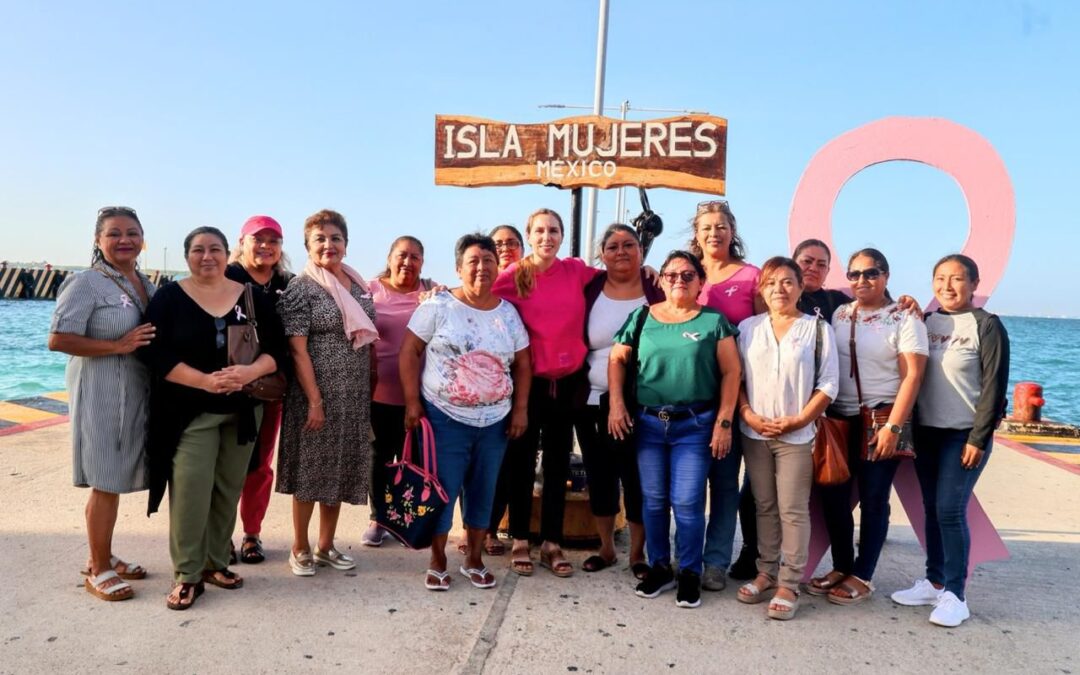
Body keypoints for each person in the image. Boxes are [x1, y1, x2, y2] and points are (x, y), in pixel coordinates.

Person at [144, 226, 285, 610]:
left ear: (228, 253)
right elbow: (156, 356)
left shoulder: (252, 298)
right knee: (190, 491)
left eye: (216, 249)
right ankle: (187, 575)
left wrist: (249, 373)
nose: (208, 256)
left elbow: (276, 351)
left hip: (242, 411)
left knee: (227, 489)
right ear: (187, 255)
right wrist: (204, 382)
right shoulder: (169, 298)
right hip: (189, 413)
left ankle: (214, 563)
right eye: (198, 250)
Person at [608, 250, 741, 609]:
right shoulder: (641, 317)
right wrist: (617, 404)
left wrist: (724, 422)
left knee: (686, 501)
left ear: (700, 282)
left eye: (687, 275)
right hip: (650, 424)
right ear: (661, 280)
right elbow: (617, 358)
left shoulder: (714, 321)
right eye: (671, 275)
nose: (678, 281)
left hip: (695, 426)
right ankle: (660, 567)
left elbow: (732, 372)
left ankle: (690, 572)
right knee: (653, 500)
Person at [399, 233, 531, 590]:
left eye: (488, 261)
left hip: (495, 421)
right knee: (442, 488)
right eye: (473, 261)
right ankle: (438, 559)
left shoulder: (508, 313)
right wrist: (412, 402)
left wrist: (519, 410)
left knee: (483, 490)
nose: (481, 268)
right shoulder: (438, 307)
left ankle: (474, 558)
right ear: (459, 268)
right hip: (445, 417)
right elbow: (409, 351)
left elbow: (522, 363)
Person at [891, 254, 1010, 627]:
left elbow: (994, 386)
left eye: (957, 279)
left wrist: (979, 436)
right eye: (940, 278)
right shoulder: (925, 322)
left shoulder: (987, 326)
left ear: (974, 284)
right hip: (927, 432)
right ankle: (934, 579)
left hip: (964, 435)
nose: (947, 285)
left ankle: (956, 595)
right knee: (931, 507)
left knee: (949, 510)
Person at [49, 206, 157, 602]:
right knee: (106, 478)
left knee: (120, 471)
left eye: (132, 232)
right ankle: (98, 568)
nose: (124, 239)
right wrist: (117, 345)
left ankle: (104, 552)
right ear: (98, 240)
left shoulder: (145, 282)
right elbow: (59, 338)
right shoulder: (86, 283)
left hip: (138, 390)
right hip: (101, 390)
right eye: (114, 233)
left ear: (143, 239)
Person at [809, 248, 928, 605]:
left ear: (886, 277)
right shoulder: (841, 313)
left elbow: (913, 377)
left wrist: (894, 427)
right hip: (841, 417)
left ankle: (863, 574)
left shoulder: (905, 317)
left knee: (875, 499)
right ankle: (841, 565)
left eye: (871, 273)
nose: (862, 280)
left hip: (883, 417)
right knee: (832, 495)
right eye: (855, 274)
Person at [492, 208, 601, 578]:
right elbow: (476, 297)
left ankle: (552, 543)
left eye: (553, 230)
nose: (547, 237)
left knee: (557, 464)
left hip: (568, 383)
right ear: (529, 234)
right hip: (528, 384)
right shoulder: (514, 275)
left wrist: (648, 274)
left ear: (561, 235)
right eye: (539, 231)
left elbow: (619, 279)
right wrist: (439, 293)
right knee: (521, 461)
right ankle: (520, 538)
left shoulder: (575, 270)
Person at [734, 257, 839, 620]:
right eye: (771, 282)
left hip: (798, 435)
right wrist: (747, 414)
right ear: (761, 289)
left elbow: (829, 383)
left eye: (787, 282)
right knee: (763, 504)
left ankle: (789, 582)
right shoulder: (748, 328)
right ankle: (766, 571)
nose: (779, 288)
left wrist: (799, 420)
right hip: (755, 431)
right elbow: (737, 380)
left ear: (799, 286)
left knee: (792, 510)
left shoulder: (817, 329)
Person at [277, 209, 378, 577]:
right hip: (314, 395)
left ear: (346, 245)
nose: (328, 245)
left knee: (337, 471)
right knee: (310, 472)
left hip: (352, 395)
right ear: (308, 246)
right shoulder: (301, 289)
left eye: (335, 238)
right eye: (320, 238)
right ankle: (300, 546)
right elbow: (297, 349)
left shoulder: (359, 286)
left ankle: (325, 545)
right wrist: (315, 400)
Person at [574, 224, 663, 577]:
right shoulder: (591, 286)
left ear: (642, 251)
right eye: (613, 246)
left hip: (640, 401)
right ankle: (606, 548)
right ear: (602, 255)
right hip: (590, 398)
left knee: (636, 476)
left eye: (629, 245)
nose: (621, 251)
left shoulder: (655, 288)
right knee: (599, 475)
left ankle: (637, 554)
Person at [689, 200, 763, 589]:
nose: (713, 233)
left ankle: (716, 560)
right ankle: (685, 556)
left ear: (732, 231)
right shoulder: (684, 273)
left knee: (723, 483)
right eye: (706, 227)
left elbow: (770, 331)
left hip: (734, 397)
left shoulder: (753, 276)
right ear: (696, 234)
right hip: (687, 397)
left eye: (720, 226)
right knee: (685, 485)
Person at [225, 215, 294, 565]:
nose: (265, 246)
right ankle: (220, 535)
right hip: (228, 386)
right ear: (242, 242)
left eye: (273, 240)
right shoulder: (225, 277)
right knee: (224, 465)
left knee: (260, 465)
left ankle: (252, 533)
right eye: (258, 239)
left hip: (270, 389)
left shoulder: (288, 283)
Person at [362, 235, 435, 547]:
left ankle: (409, 519)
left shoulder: (432, 294)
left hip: (422, 396)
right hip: (379, 395)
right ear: (389, 258)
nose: (408, 262)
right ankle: (378, 519)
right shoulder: (369, 291)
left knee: (417, 462)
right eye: (402, 255)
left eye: (415, 257)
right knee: (378, 460)